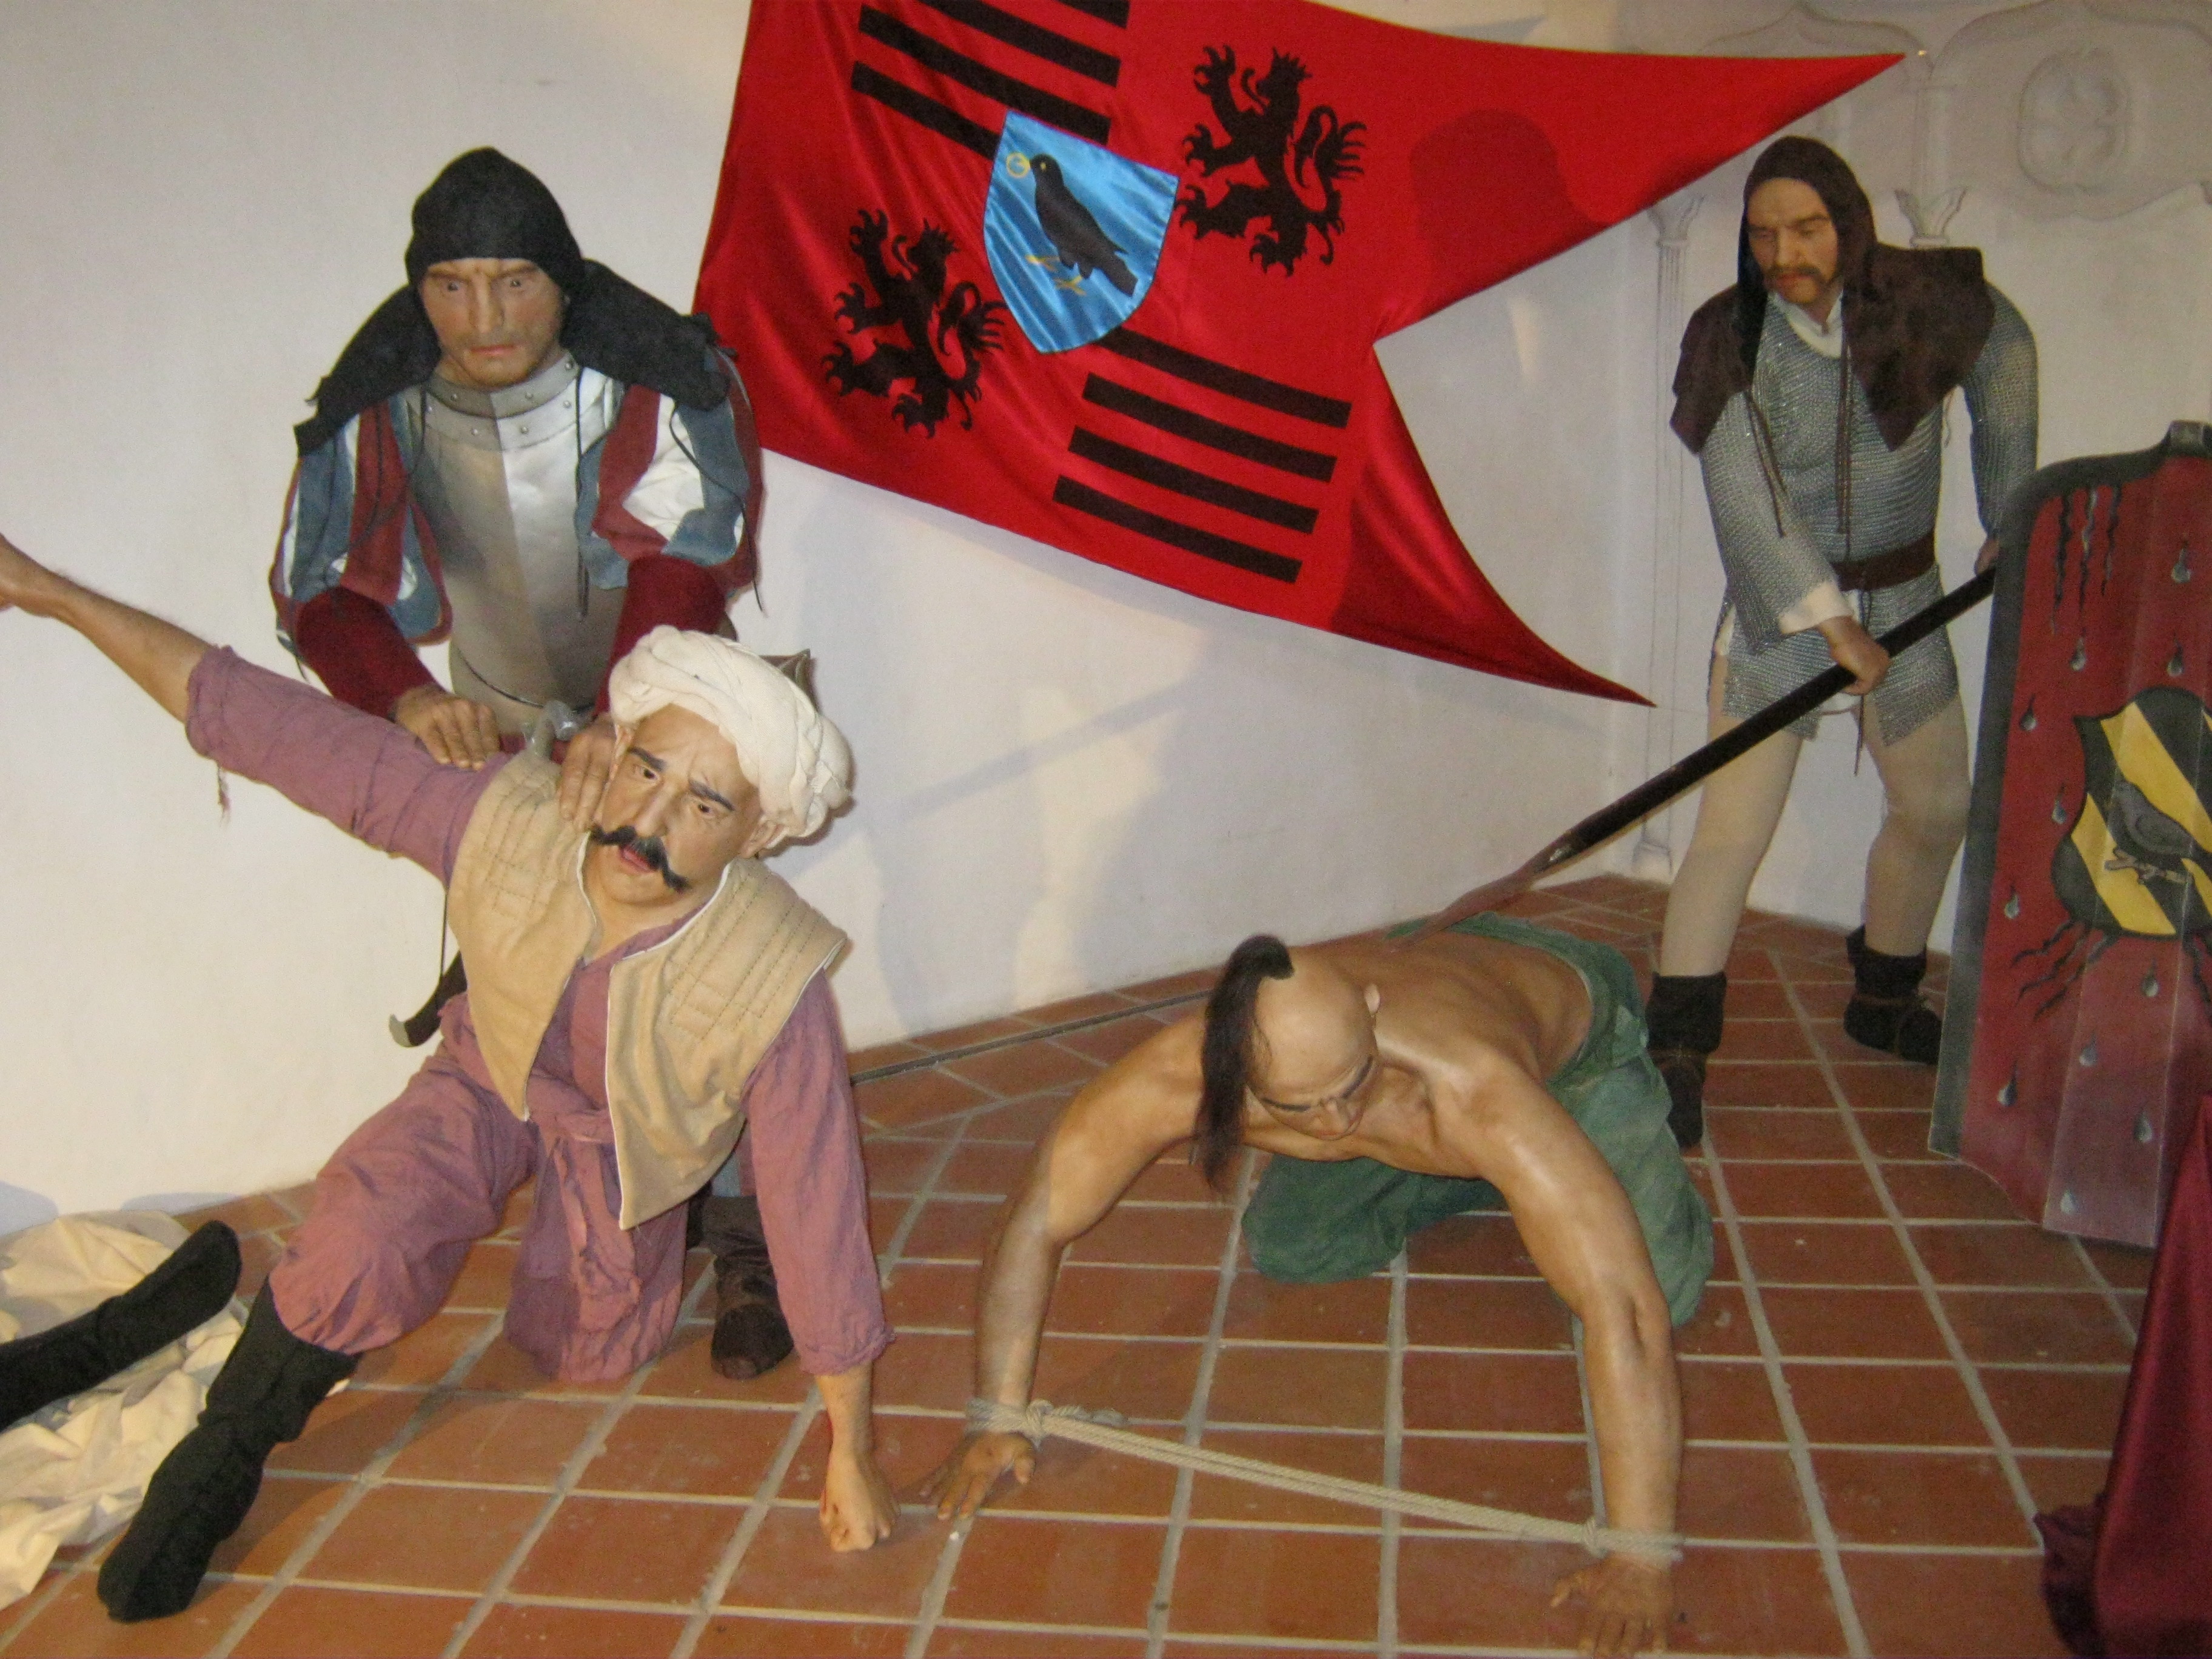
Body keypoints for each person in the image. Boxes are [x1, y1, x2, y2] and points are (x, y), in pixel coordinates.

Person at [0, 532, 897, 1623]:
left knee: (591, 1349)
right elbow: (262, 723)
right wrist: (48, 592)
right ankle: (222, 1451)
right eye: (648, 772)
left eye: (706, 806)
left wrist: (850, 1448)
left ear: (756, 835)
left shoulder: (774, 977)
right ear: (613, 749)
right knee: (363, 1231)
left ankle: (703, 1212)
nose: (651, 825)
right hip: (488, 1072)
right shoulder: (504, 818)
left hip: (624, 1144)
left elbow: (819, 1208)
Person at [269, 147, 790, 1374]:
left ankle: (750, 1230)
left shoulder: (655, 375)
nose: (484, 316)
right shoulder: (383, 402)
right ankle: (587, 1190)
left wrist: (629, 715)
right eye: (452, 286)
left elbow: (686, 553)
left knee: (713, 974)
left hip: (672, 720)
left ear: (561, 281)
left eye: (513, 281)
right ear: (420, 291)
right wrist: (402, 698)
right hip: (499, 726)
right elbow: (323, 586)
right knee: (532, 974)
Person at [922, 915, 1714, 1659]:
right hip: (1425, 1034)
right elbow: (1035, 1217)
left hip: (1570, 1041)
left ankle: (1551, 1169)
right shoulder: (1174, 1074)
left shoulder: (1477, 1088)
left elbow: (1626, 1312)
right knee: (1297, 1247)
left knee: (1661, 1287)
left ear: (1368, 1013)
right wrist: (998, 1414)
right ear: (1233, 1068)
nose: (1336, 1124)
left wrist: (1640, 1556)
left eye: (1351, 1086)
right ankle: (1498, 1179)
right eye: (1301, 1108)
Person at [1650, 136, 2037, 1148]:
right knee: (1731, 833)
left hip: (1906, 597)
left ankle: (1886, 994)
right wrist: (1829, 625)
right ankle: (1677, 1045)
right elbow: (1745, 497)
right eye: (1763, 233)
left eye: (1807, 228)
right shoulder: (1729, 335)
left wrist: (2012, 508)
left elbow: (2005, 349)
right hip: (1779, 616)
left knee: (1938, 806)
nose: (1785, 254)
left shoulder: (1920, 304)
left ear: (1850, 224)